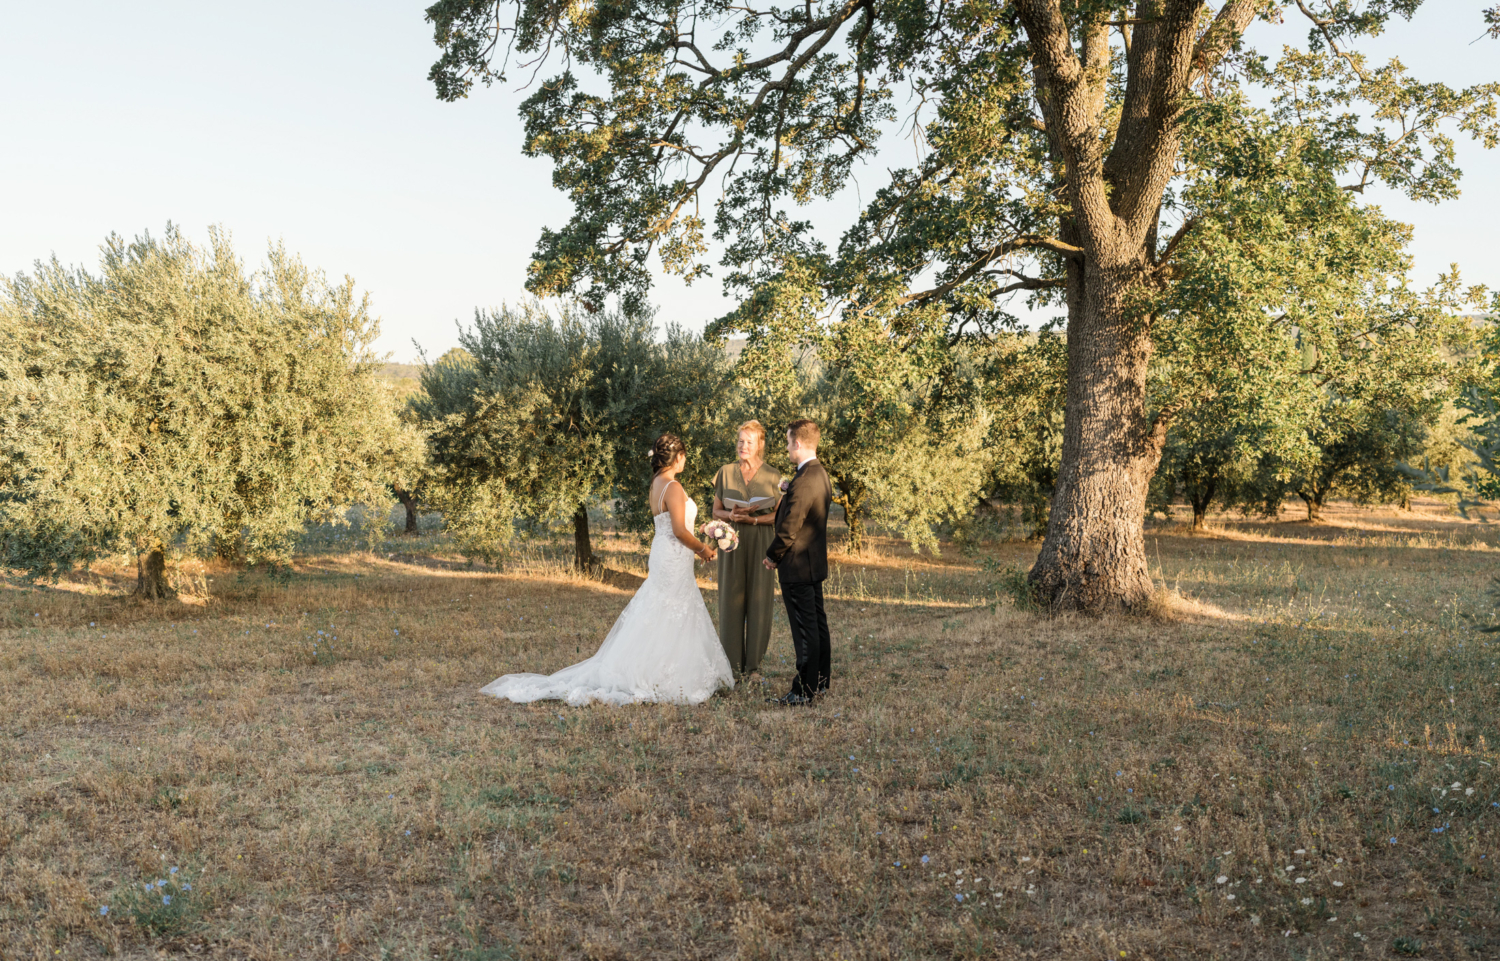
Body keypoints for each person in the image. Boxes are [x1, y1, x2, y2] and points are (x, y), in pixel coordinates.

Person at [480, 434, 734, 705]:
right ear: (678, 457)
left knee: (664, 608)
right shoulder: (671, 486)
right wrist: (703, 549)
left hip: (666, 554)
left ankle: (665, 666)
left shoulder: (657, 483)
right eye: (685, 456)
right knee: (670, 608)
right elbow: (680, 530)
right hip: (672, 555)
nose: (686, 460)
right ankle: (665, 675)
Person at [763, 419, 833, 705]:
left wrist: (772, 555)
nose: (788, 447)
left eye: (789, 442)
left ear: (799, 443)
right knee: (817, 625)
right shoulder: (818, 473)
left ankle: (803, 691)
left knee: (805, 630)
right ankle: (820, 682)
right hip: (813, 563)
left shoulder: (805, 480)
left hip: (798, 565)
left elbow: (790, 527)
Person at [711, 420, 784, 681]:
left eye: (749, 442)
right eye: (740, 441)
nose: (743, 446)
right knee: (730, 599)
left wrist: (753, 519)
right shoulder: (725, 472)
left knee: (759, 599)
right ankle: (731, 668)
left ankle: (753, 668)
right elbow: (715, 511)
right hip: (731, 542)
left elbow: (779, 515)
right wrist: (730, 515)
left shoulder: (774, 476)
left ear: (759, 445)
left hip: (762, 540)